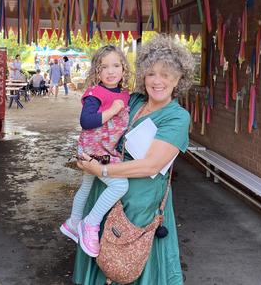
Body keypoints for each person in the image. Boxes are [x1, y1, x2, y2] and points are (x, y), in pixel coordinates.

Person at [72, 35, 194, 285]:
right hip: (106, 190)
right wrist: (87, 153)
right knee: (101, 251)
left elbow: (151, 165)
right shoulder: (134, 100)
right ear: (143, 76)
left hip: (141, 202)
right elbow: (96, 122)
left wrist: (102, 170)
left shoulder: (177, 117)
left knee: (131, 261)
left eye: (166, 75)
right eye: (151, 74)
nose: (157, 81)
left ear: (179, 79)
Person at [60, 45, 132, 258]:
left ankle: (73, 223)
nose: (111, 71)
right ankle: (89, 224)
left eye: (116, 65)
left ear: (123, 68)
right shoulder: (95, 94)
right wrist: (112, 110)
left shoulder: (125, 94)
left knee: (86, 186)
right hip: (93, 151)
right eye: (104, 67)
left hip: (106, 149)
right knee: (120, 184)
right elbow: (86, 121)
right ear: (96, 72)